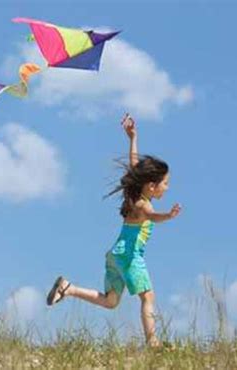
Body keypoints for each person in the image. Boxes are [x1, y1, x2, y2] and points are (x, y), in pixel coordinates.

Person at [46, 113, 182, 347]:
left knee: (111, 302)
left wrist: (133, 138)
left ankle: (68, 288)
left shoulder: (135, 193)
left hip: (115, 256)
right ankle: (153, 342)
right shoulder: (143, 204)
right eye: (165, 183)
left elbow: (133, 167)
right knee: (148, 297)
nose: (167, 188)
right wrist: (168, 216)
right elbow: (151, 216)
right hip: (129, 256)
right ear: (152, 185)